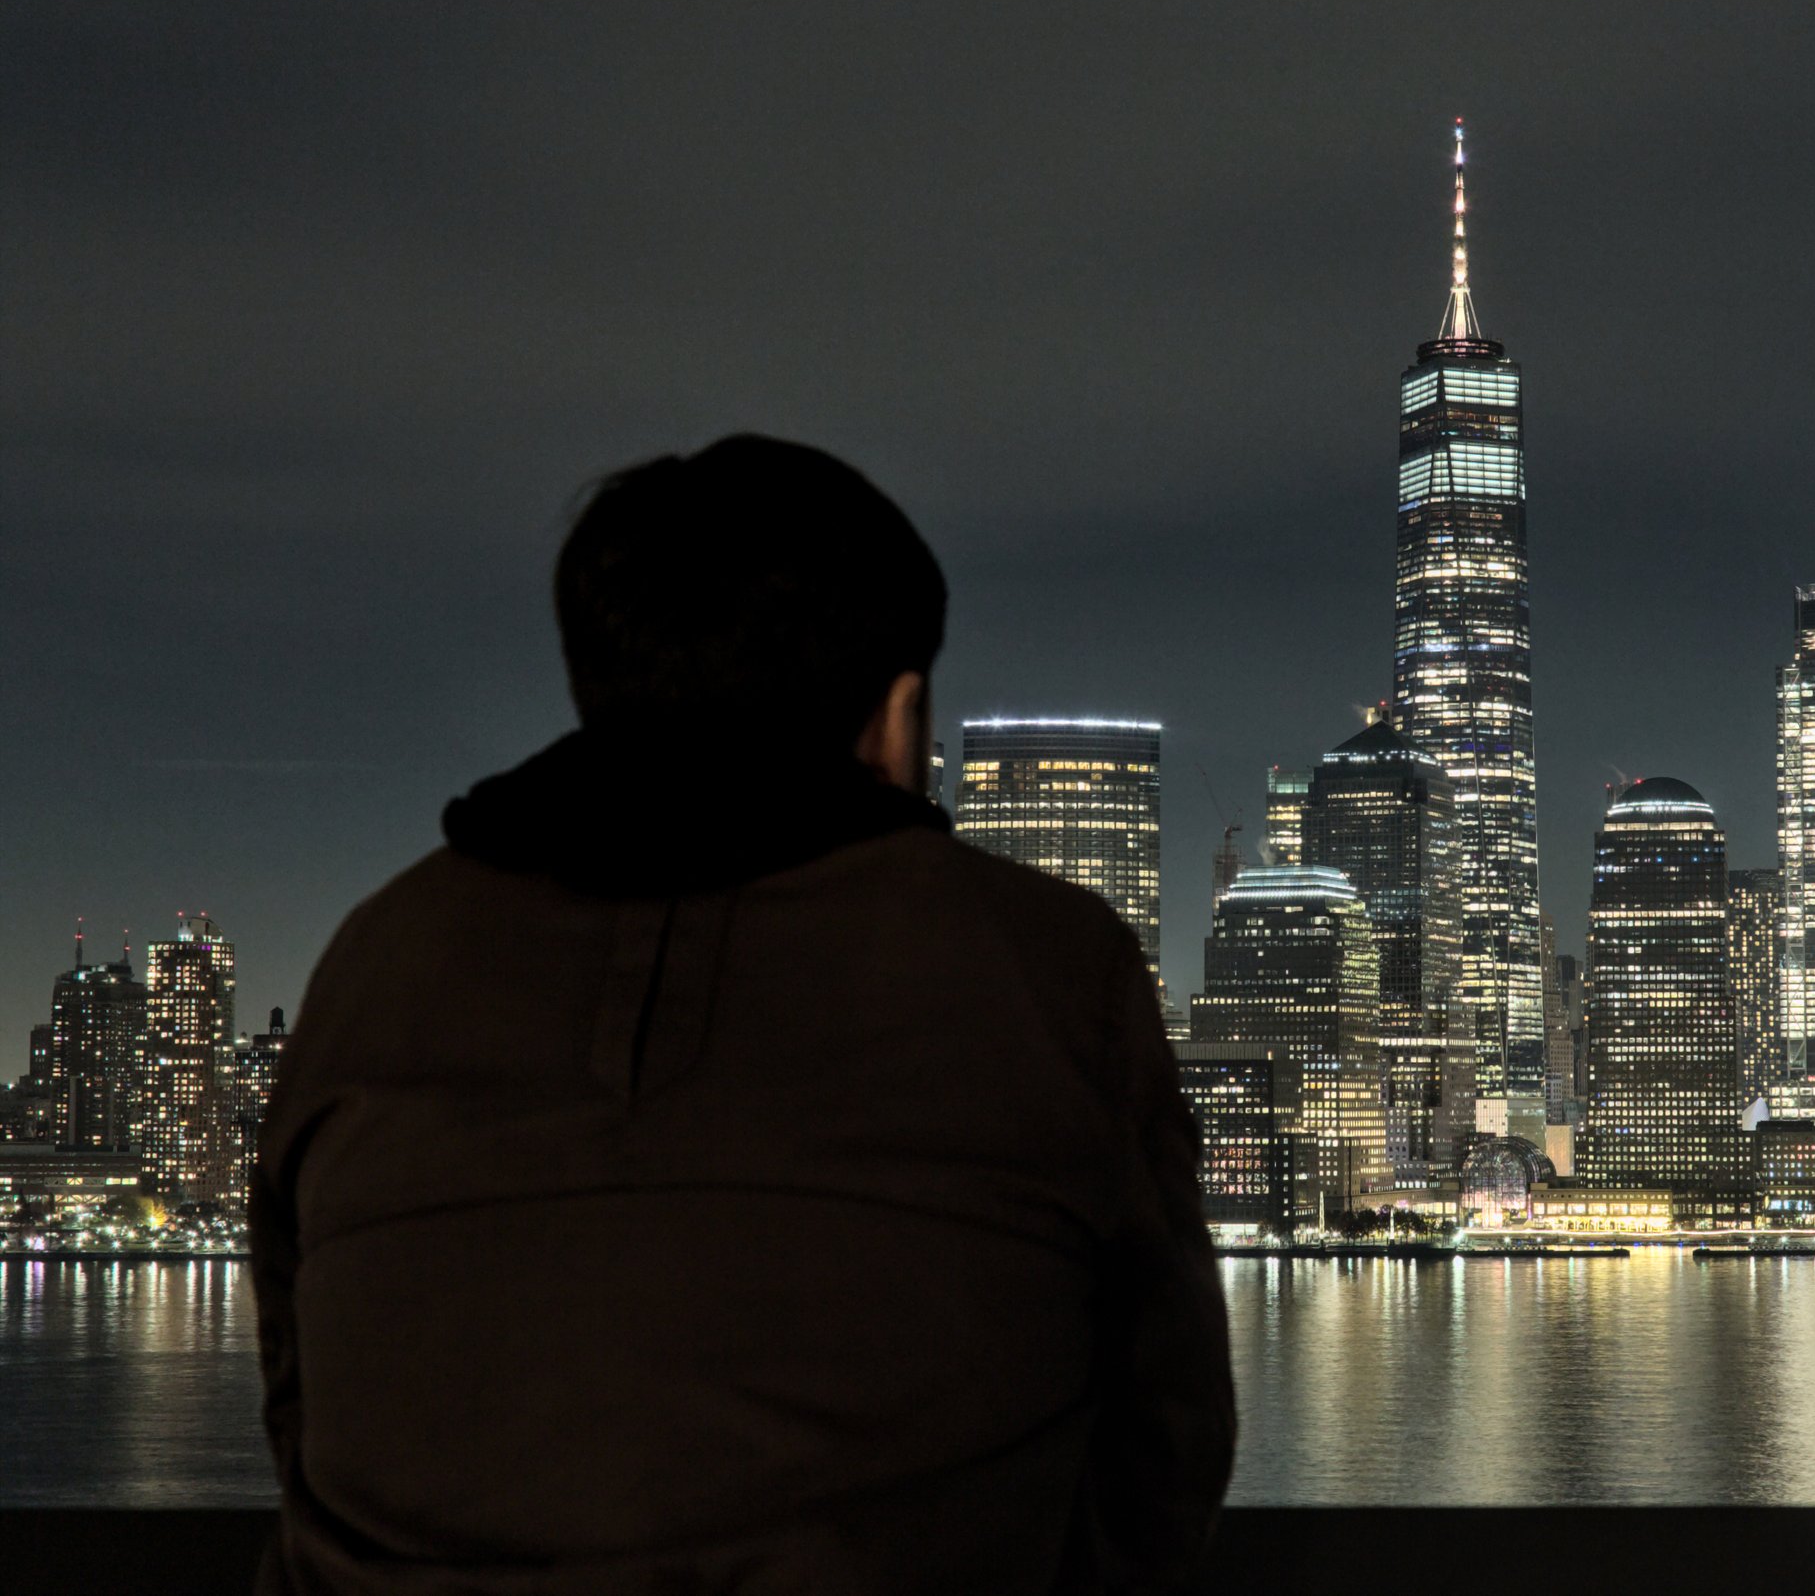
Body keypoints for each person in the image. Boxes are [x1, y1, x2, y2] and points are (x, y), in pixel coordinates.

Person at [250, 436, 1234, 1594]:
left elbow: (301, 1396)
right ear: (898, 715)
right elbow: (1163, 1447)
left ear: (599, 682)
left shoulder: (382, 955)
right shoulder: (1050, 967)